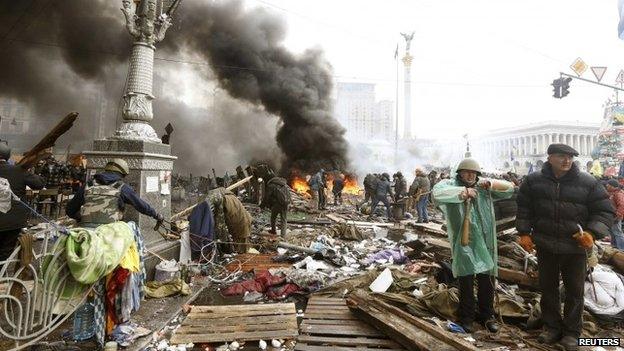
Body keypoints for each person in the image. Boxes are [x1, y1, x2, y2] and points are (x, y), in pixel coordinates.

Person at [516, 144, 614, 351]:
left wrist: (591, 233)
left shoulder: (588, 182)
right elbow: (524, 208)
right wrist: (524, 232)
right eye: (561, 156)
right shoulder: (533, 181)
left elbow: (605, 212)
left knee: (574, 292)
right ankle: (552, 327)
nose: (567, 160)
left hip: (574, 247)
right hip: (545, 245)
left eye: (570, 157)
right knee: (548, 289)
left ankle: (572, 333)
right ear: (550, 157)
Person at [433, 157, 514, 334]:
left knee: (487, 282)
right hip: (465, 243)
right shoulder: (450, 185)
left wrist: (491, 183)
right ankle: (466, 318)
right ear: (459, 173)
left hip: (486, 242)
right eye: (466, 172)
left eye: (474, 173)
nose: (470, 175)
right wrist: (462, 192)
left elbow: (509, 189)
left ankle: (487, 316)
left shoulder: (483, 188)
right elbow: (437, 194)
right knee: (466, 281)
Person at [66, 158, 163, 226]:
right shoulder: (122, 188)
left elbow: (70, 210)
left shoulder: (88, 185)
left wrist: (82, 218)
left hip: (86, 228)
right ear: (122, 174)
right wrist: (156, 215)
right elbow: (141, 205)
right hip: (112, 230)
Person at [0, 143, 45, 261]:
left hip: (10, 219)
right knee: (4, 253)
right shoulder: (19, 170)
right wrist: (27, 170)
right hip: (12, 221)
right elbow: (39, 184)